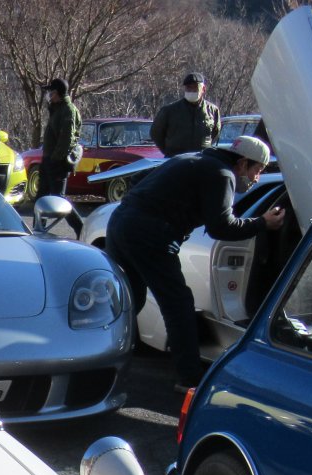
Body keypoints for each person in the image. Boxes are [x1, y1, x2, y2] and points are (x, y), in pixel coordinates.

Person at [106, 135, 285, 389]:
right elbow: (222, 227)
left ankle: (96, 357)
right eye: (258, 170)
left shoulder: (194, 158)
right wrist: (262, 223)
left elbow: (137, 181)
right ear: (243, 163)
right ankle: (189, 379)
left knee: (128, 298)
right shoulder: (223, 174)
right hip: (150, 234)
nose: (257, 177)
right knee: (178, 304)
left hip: (121, 222)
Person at [151, 72, 221, 157]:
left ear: (203, 89)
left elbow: (215, 133)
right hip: (175, 160)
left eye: (195, 88)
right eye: (188, 88)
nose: (191, 91)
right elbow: (156, 133)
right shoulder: (169, 110)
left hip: (201, 160)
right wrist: (168, 152)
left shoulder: (213, 110)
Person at [38, 76, 82, 198]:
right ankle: (40, 217)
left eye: (50, 92)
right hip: (49, 160)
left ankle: (72, 218)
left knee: (58, 200)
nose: (48, 95)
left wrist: (55, 160)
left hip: (58, 163)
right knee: (42, 199)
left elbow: (66, 139)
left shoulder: (68, 110)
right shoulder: (57, 109)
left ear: (56, 93)